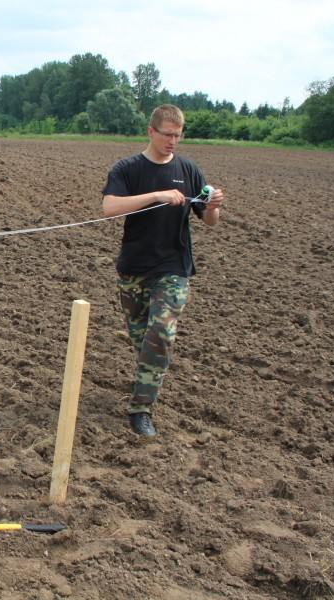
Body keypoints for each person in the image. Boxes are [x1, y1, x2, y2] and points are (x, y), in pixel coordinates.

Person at [101, 104, 224, 437]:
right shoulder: (127, 168)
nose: (173, 141)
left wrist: (213, 207)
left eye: (178, 135)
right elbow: (109, 207)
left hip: (173, 267)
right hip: (133, 270)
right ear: (151, 132)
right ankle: (147, 379)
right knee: (144, 341)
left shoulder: (189, 170)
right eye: (167, 134)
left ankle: (141, 410)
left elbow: (208, 221)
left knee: (161, 336)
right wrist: (155, 195)